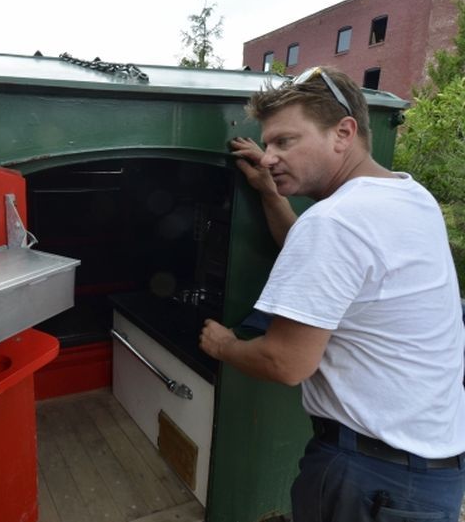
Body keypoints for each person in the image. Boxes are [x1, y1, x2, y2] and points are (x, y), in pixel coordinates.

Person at [199, 66, 465, 521]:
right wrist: (270, 195)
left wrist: (225, 345)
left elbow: (286, 362)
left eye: (285, 141)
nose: (266, 157)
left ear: (343, 133)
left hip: (369, 479)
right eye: (268, 144)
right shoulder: (408, 194)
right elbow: (329, 268)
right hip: (432, 473)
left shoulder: (336, 222)